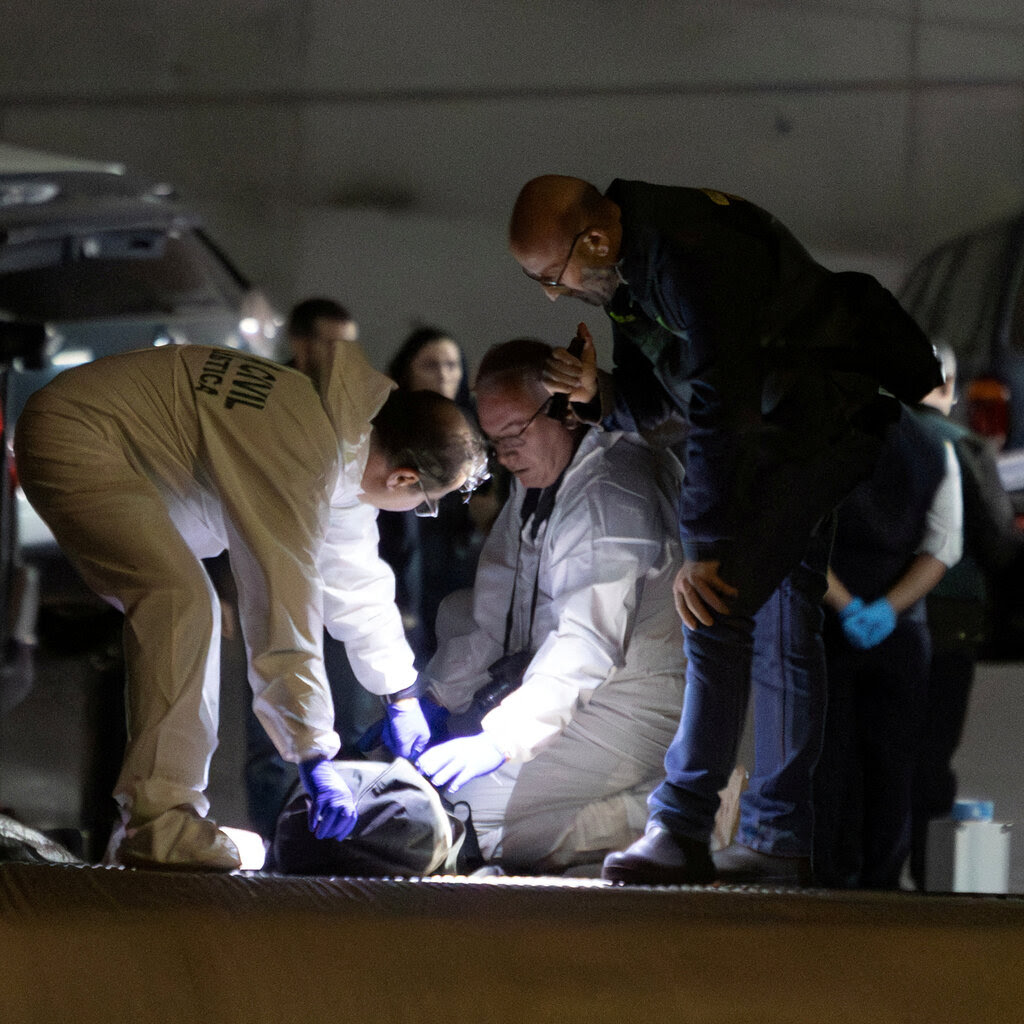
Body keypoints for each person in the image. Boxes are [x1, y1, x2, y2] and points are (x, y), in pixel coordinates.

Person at [508, 175, 944, 885]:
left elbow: (722, 403)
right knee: (778, 628)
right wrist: (600, 395)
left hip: (814, 424)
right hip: (786, 429)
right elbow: (666, 396)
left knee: (714, 605)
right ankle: (777, 839)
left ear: (592, 238)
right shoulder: (631, 269)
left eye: (551, 277)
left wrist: (709, 546)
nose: (555, 294)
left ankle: (682, 825)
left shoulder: (691, 252)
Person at [13, 338, 487, 870]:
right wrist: (311, 750)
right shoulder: (302, 446)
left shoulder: (338, 437)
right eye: (424, 504)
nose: (415, 511)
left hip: (101, 434)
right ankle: (160, 823)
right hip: (80, 435)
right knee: (182, 602)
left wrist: (399, 691)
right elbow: (282, 599)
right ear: (402, 478)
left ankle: (156, 820)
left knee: (184, 603)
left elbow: (355, 581)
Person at [402, 338, 686, 873]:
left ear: (569, 412)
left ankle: (671, 812)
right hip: (574, 693)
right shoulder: (543, 480)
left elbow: (585, 647)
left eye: (516, 434)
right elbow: (491, 611)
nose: (505, 454)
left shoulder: (609, 494)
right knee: (430, 798)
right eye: (493, 439)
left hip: (632, 700)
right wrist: (437, 698)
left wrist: (500, 741)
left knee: (466, 821)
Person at [813, 407, 961, 889]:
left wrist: (845, 604)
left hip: (828, 625)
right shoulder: (934, 446)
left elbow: (798, 532)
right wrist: (888, 609)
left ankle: (829, 880)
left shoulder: (820, 430)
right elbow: (943, 545)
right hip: (900, 630)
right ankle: (881, 889)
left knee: (828, 763)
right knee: (893, 771)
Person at [908, 344, 1021, 888]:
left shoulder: (874, 440)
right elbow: (999, 546)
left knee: (877, 741)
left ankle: (865, 870)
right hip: (951, 617)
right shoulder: (965, 448)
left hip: (882, 617)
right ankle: (932, 880)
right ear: (949, 386)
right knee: (931, 749)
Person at [378, 326, 485, 665]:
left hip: (455, 566)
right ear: (406, 370)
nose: (443, 374)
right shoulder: (384, 427)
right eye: (430, 365)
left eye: (452, 365)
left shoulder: (478, 429)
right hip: (396, 562)